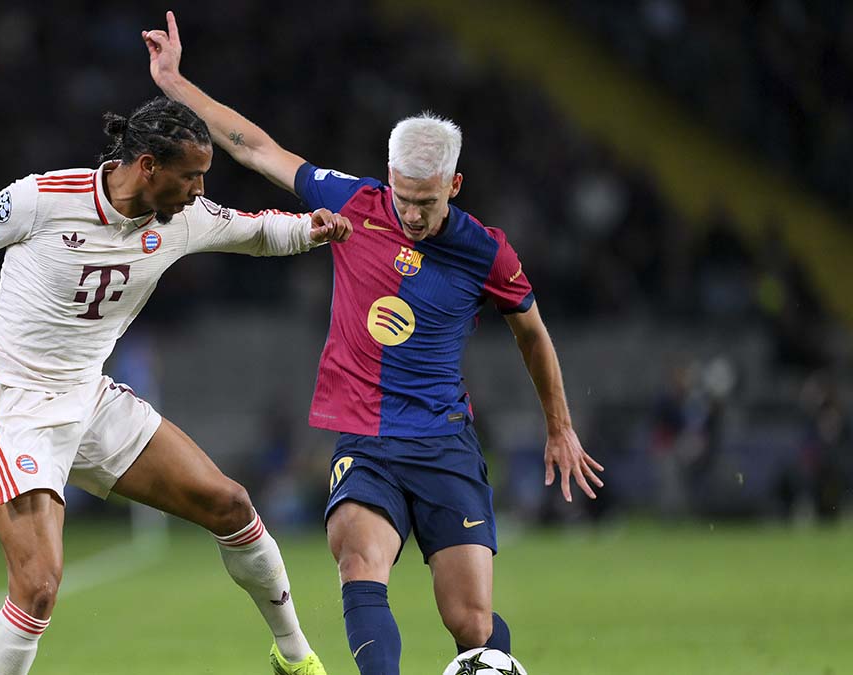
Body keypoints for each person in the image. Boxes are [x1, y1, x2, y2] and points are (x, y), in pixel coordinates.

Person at [144, 12, 605, 674]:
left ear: (454, 185)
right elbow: (253, 146)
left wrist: (558, 426)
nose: (412, 214)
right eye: (402, 197)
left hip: (445, 440)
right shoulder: (355, 203)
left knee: (471, 622)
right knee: (359, 559)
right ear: (387, 174)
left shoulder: (486, 252)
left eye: (426, 202)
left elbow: (533, 332)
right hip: (366, 438)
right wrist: (176, 84)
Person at [0, 96, 351, 675]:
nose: (198, 190)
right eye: (190, 176)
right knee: (38, 586)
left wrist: (313, 230)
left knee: (232, 504)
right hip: (10, 401)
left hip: (88, 400)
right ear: (147, 166)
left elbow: (255, 231)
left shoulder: (183, 219)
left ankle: (294, 657)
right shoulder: (43, 197)